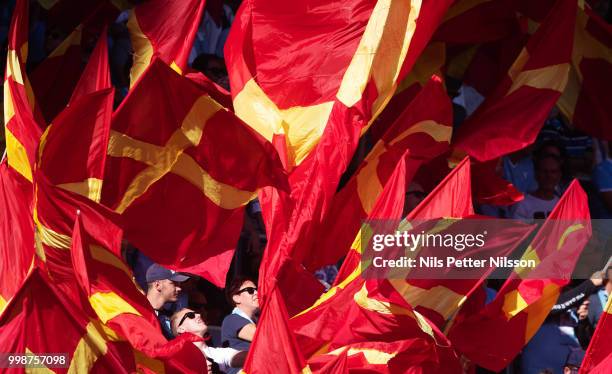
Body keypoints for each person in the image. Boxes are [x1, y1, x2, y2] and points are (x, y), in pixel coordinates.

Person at [172, 308, 247, 373]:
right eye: (190, 315)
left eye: (197, 313)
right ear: (181, 329)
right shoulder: (176, 357)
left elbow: (249, 358)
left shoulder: (216, 353)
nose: (198, 315)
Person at [511, 154, 563, 220]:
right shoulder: (522, 205)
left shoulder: (562, 204)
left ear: (559, 175)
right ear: (536, 174)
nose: (548, 176)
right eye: (544, 171)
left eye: (553, 172)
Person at [146, 264, 190, 340]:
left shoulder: (170, 316)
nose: (179, 288)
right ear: (157, 285)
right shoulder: (138, 312)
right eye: (174, 283)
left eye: (179, 284)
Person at [221, 277, 259, 351]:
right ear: (236, 298)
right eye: (250, 290)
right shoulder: (232, 320)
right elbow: (265, 337)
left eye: (257, 289)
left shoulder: (257, 319)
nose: (256, 293)